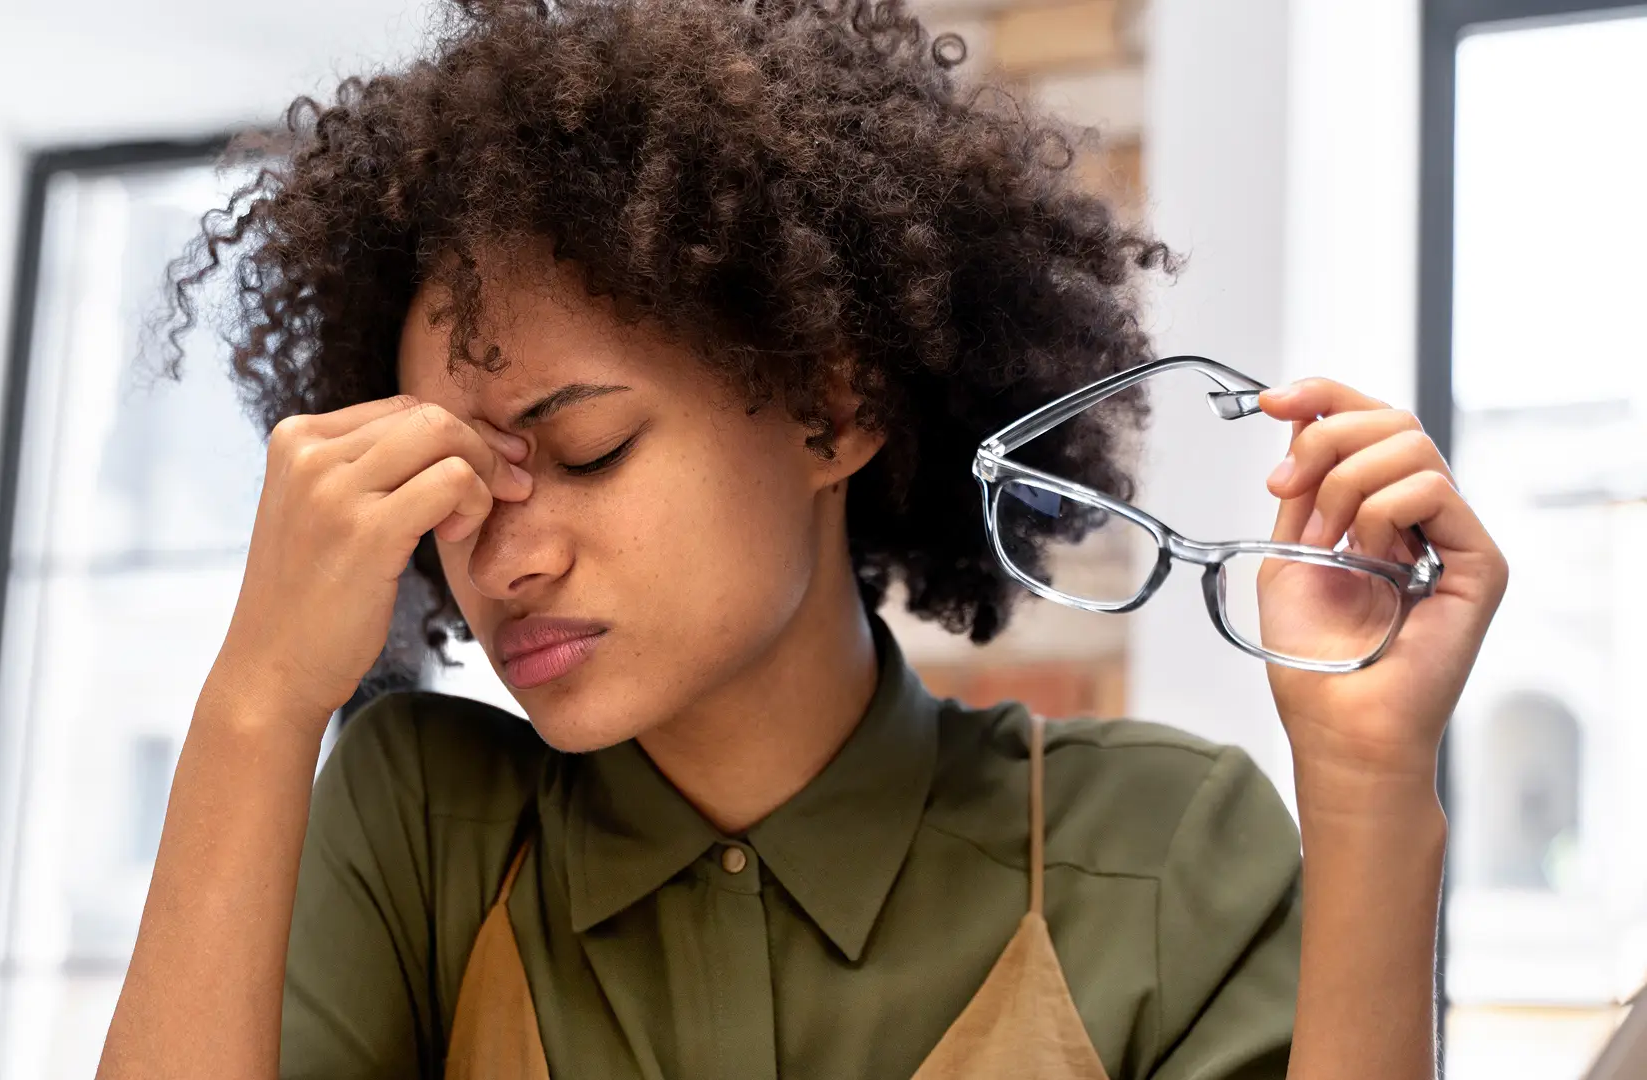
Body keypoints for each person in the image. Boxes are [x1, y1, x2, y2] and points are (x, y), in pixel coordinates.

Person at [99, 1, 1508, 1077]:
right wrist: (260, 702)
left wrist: (1375, 788)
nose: (508, 556)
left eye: (587, 451)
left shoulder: (1156, 848)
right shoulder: (420, 825)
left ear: (835, 410)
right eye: (456, 487)